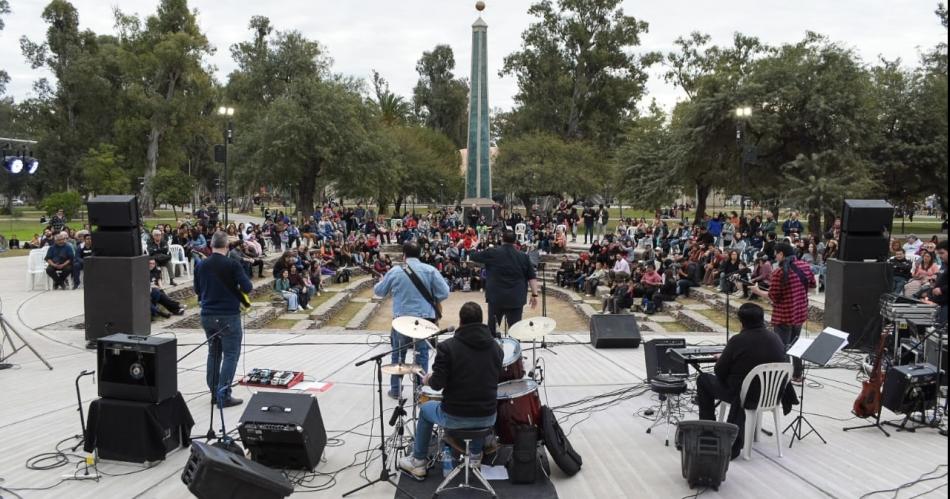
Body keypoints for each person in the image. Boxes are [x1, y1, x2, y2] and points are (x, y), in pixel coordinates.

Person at [398, 302, 503, 480]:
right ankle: (475, 455)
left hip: (455, 417)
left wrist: (428, 379)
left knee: (425, 410)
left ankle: (418, 462)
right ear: (481, 321)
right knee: (478, 405)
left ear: (460, 321)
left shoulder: (447, 348)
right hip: (488, 417)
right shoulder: (497, 349)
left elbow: (437, 385)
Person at [373, 241, 450, 400]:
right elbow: (444, 292)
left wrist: (381, 279)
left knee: (398, 357)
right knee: (421, 355)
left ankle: (396, 390)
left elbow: (379, 292)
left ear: (404, 255)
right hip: (423, 321)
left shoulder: (395, 271)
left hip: (401, 321)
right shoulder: (430, 270)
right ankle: (420, 391)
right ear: (420, 254)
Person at [695, 303, 788, 420]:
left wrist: (724, 357)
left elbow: (719, 371)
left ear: (741, 321)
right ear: (762, 318)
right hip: (771, 395)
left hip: (744, 396)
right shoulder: (776, 337)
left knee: (703, 379)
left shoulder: (737, 340)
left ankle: (708, 426)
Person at [193, 231, 253, 408]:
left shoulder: (201, 265)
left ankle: (214, 392)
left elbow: (197, 290)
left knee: (214, 353)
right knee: (230, 355)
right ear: (227, 247)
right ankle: (223, 394)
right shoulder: (232, 264)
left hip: (207, 315)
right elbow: (247, 287)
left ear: (211, 246)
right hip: (228, 316)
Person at [750, 242, 816, 382]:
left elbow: (772, 296)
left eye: (776, 253)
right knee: (796, 345)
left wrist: (757, 291)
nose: (774, 255)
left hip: (783, 315)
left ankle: (784, 377)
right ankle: (797, 375)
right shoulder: (804, 266)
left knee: (781, 347)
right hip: (800, 312)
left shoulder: (778, 272)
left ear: (781, 254)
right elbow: (811, 286)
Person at [469, 230, 540, 336]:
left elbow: (473, 256)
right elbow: (532, 277)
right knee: (515, 331)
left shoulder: (492, 252)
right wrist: (534, 294)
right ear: (515, 241)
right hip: (516, 299)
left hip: (496, 298)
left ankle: (491, 351)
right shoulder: (523, 256)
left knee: (492, 330)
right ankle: (515, 351)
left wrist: (474, 246)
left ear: (502, 240)